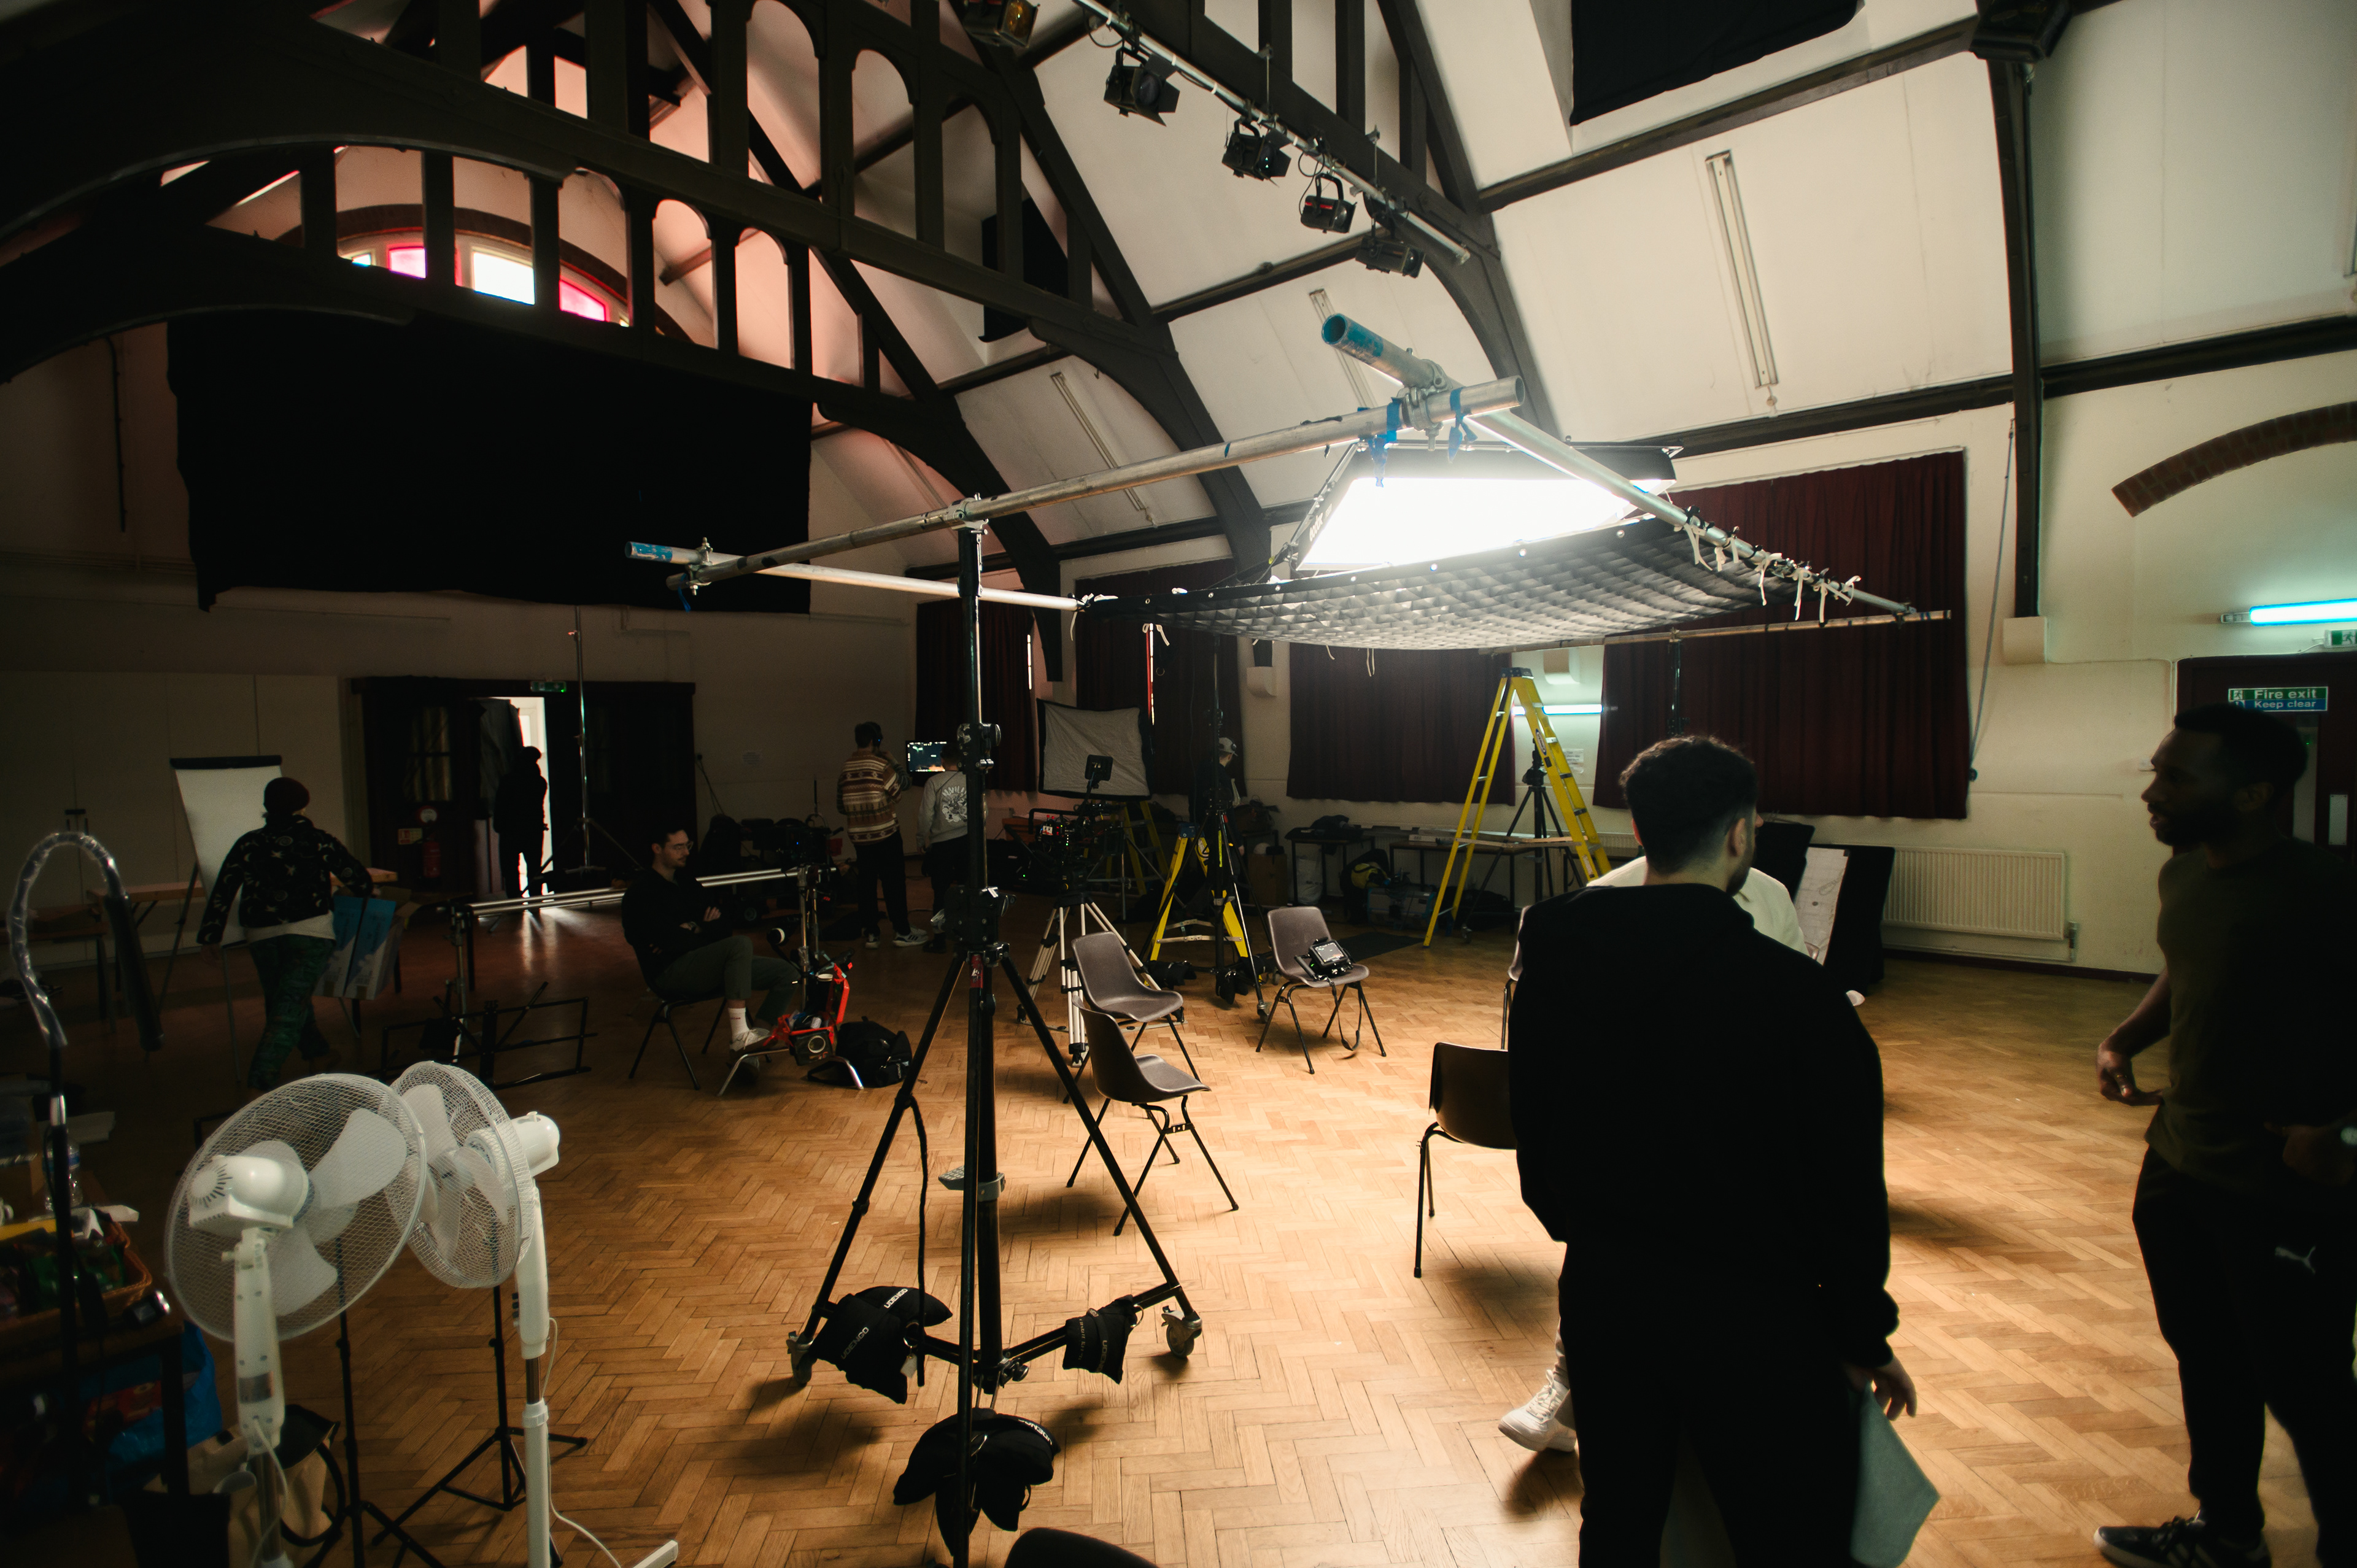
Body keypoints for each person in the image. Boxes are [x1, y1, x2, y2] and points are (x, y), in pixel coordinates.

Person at [1509, 735, 1914, 1564]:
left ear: (1640, 831)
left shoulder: (1555, 945)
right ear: (1740, 834)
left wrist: (1590, 1228)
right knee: (1781, 1529)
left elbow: (1535, 1114)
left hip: (1605, 1286)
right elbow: (1846, 1186)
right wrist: (1861, 1334)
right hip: (1754, 1310)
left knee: (1619, 1517)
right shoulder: (1799, 996)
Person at [2090, 702, 2355, 1568]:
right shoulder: (2186, 876)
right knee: (2206, 1357)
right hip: (2179, 1159)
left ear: (2251, 794)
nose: (2152, 792)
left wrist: (2346, 1131)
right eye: (2156, 771)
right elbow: (2187, 965)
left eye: (2176, 776)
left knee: (2308, 1387)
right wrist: (2127, 1037)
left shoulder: (2325, 890)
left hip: (2281, 1183)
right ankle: (2228, 1531)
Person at [1496, 844, 1811, 1455]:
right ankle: (1569, 1388)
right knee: (1608, 1279)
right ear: (1737, 830)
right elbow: (1546, 1062)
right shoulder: (1597, 905)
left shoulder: (1769, 896)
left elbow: (1793, 1011)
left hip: (1735, 1140)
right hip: (1632, 1139)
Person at [196, 777, 371, 1092]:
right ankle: (259, 1083)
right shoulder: (318, 840)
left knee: (284, 999)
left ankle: (318, 1053)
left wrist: (210, 935)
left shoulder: (248, 843)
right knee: (289, 1005)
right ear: (303, 806)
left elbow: (224, 888)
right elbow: (359, 880)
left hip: (261, 935)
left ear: (267, 807)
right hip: (310, 932)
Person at [622, 824, 800, 1068]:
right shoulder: (641, 893)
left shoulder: (686, 882)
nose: (686, 852)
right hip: (670, 972)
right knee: (739, 945)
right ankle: (740, 1036)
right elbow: (667, 940)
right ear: (657, 849)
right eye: (678, 847)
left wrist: (693, 928)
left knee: (788, 973)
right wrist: (702, 930)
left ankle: (753, 1044)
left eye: (687, 846)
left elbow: (724, 925)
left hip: (704, 962)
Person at [838, 721, 926, 949]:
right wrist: (894, 762)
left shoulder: (846, 767)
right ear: (875, 741)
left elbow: (841, 806)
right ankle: (902, 931)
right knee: (893, 883)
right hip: (886, 834)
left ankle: (871, 934)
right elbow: (902, 787)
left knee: (866, 884)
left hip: (860, 838)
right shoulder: (881, 765)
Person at [916, 744, 969, 954]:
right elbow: (983, 811)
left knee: (940, 892)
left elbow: (925, 815)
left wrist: (921, 839)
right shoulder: (971, 779)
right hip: (966, 841)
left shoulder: (934, 782)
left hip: (942, 844)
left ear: (943, 760)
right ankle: (966, 935)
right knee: (966, 889)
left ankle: (939, 939)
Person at [493, 745, 548, 898]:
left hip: (510, 830)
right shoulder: (540, 782)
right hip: (533, 829)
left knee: (510, 868)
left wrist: (499, 826)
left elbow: (500, 805)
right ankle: (535, 896)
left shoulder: (508, 780)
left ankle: (514, 899)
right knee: (534, 867)